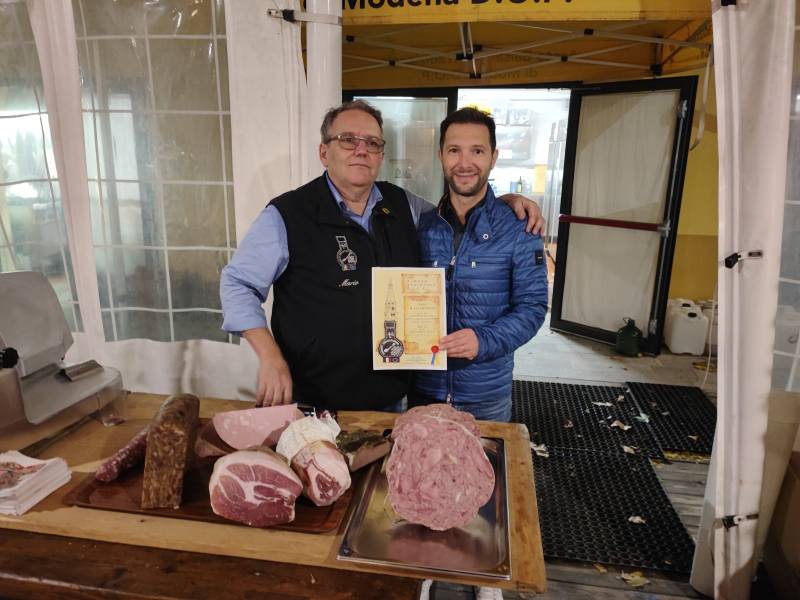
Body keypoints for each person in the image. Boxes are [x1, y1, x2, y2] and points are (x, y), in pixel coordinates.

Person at [220, 100, 544, 411]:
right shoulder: (288, 214)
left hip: (391, 398)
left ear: (381, 155)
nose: (361, 150)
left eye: (372, 143)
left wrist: (506, 203)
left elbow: (462, 210)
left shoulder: (405, 206)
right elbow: (237, 284)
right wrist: (270, 356)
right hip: (312, 397)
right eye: (348, 140)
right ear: (324, 152)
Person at [410, 107, 549, 423]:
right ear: (440, 155)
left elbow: (533, 307)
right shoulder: (420, 225)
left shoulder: (520, 228)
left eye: (477, 151)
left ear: (493, 157)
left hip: (485, 398)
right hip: (423, 391)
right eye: (454, 150)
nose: (464, 163)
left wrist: (482, 340)